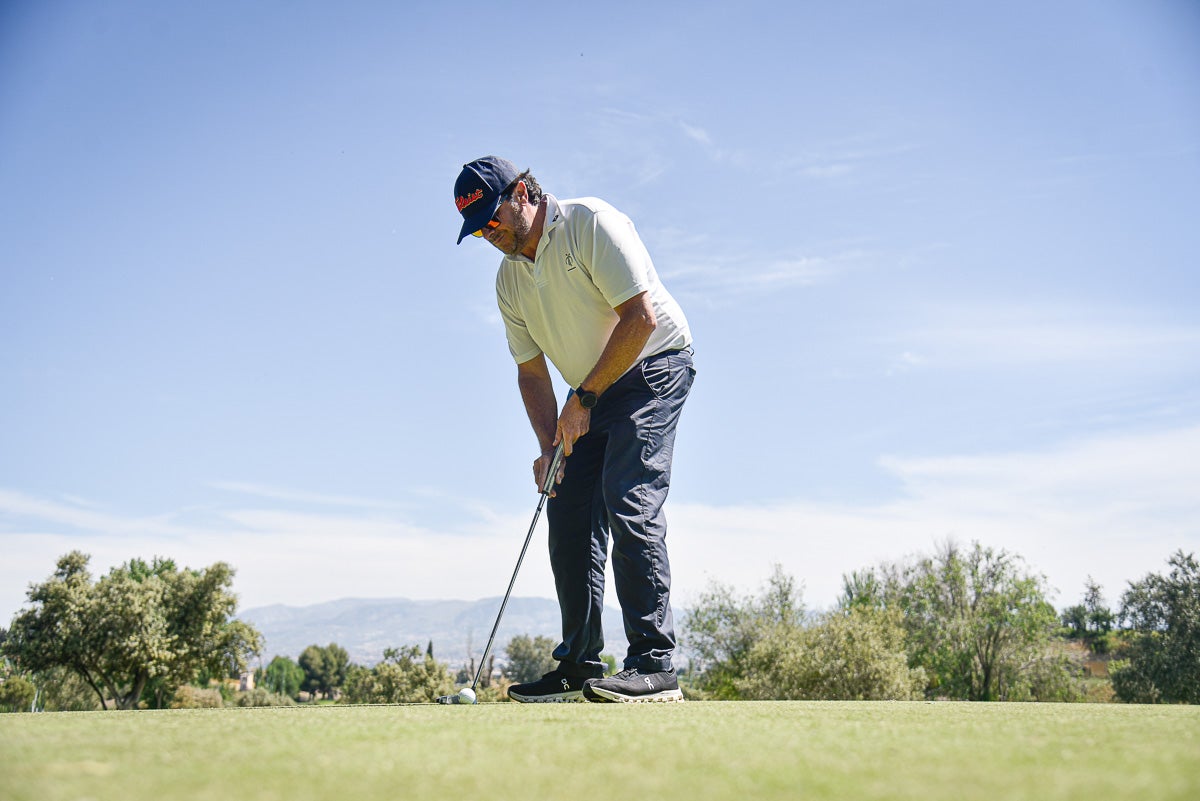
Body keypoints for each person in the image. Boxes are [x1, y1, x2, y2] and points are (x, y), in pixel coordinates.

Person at [453, 156, 696, 702]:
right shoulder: (509, 280)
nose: (489, 235)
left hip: (652, 367)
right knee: (567, 510)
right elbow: (531, 371)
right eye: (478, 230)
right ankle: (579, 666)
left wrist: (583, 399)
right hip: (588, 387)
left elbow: (640, 319)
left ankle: (655, 665)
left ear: (521, 194)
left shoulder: (591, 223)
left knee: (626, 496)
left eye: (492, 219)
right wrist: (548, 449)